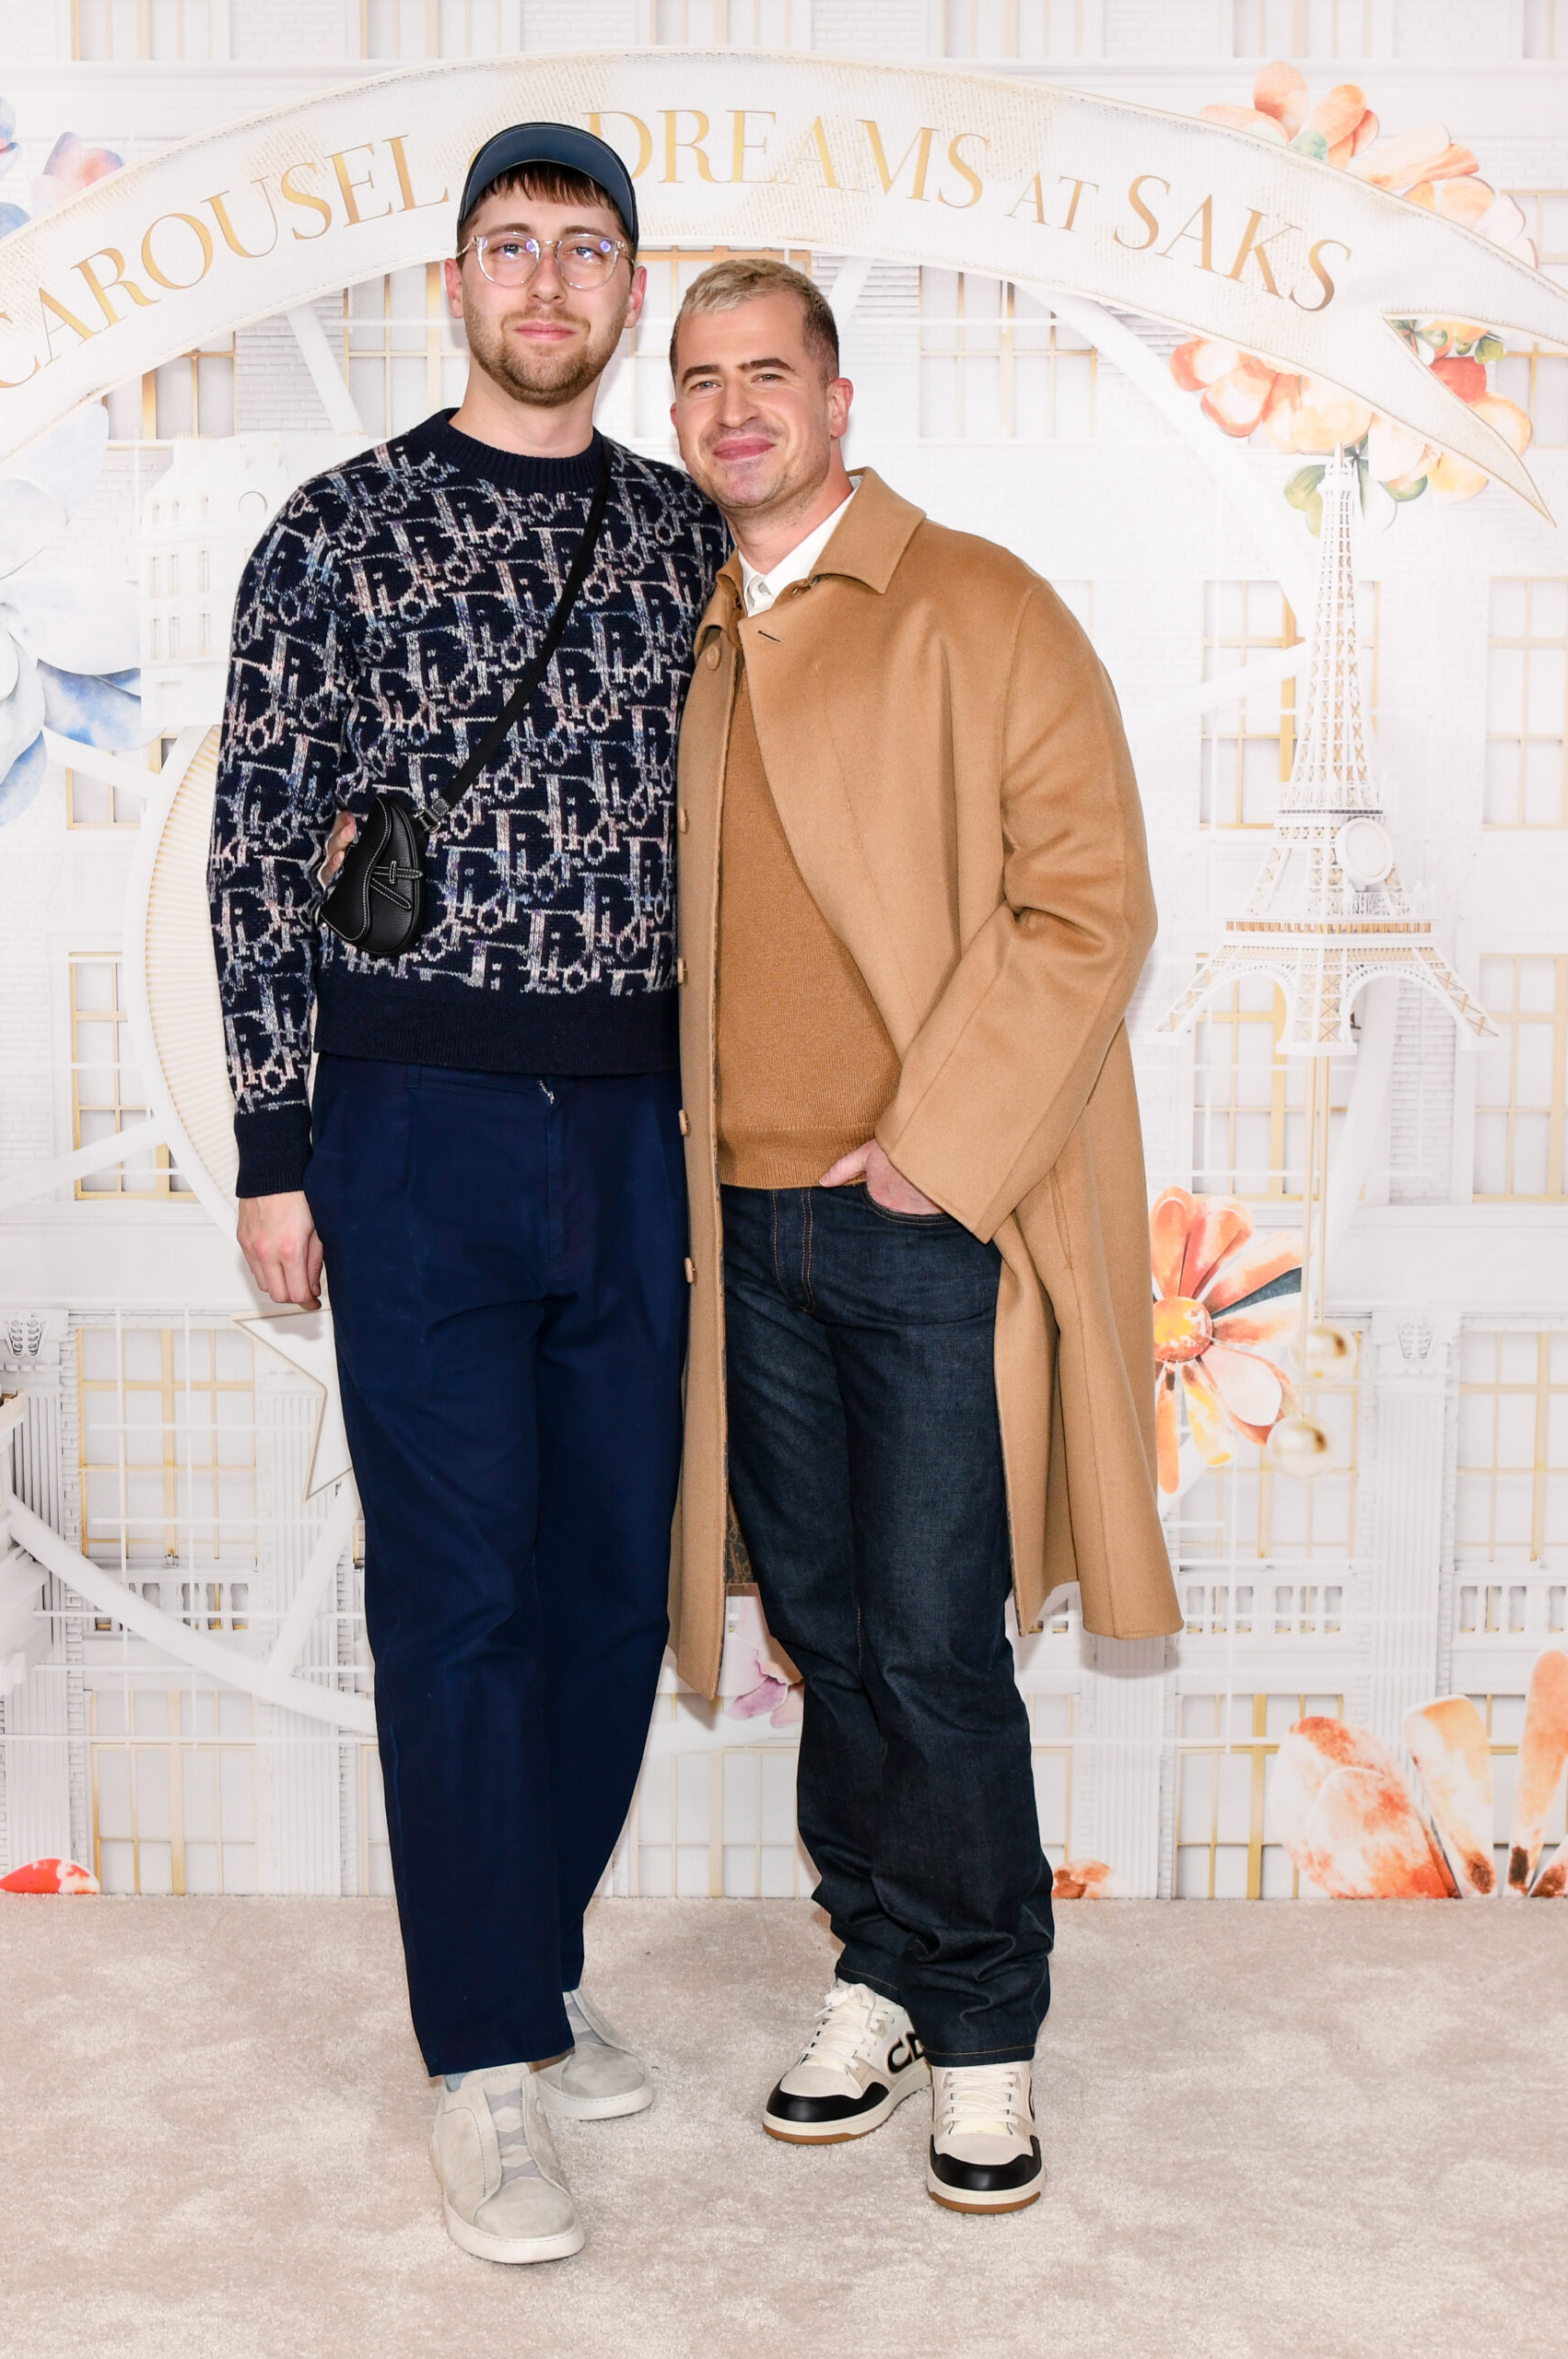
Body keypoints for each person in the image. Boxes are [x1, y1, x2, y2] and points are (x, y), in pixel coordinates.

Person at [209, 126, 728, 2266]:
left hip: (634, 1126)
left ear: (629, 291)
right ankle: (479, 2060)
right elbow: (258, 841)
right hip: (411, 1126)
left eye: (583, 251)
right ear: (452, 286)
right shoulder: (333, 529)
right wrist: (274, 1143)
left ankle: (528, 1957)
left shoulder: (684, 532)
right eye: (508, 248)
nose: (544, 282)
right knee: (457, 1592)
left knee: (609, 1583)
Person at [666, 259, 1179, 2215]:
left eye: (766, 373)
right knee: (830, 1634)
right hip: (742, 1223)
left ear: (838, 400)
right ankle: (878, 1961)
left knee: (938, 1641)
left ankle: (984, 2024)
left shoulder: (979, 604)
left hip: (920, 1222)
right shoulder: (695, 633)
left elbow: (1089, 902)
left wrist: (929, 1153)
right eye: (699, 381)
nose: (733, 409)